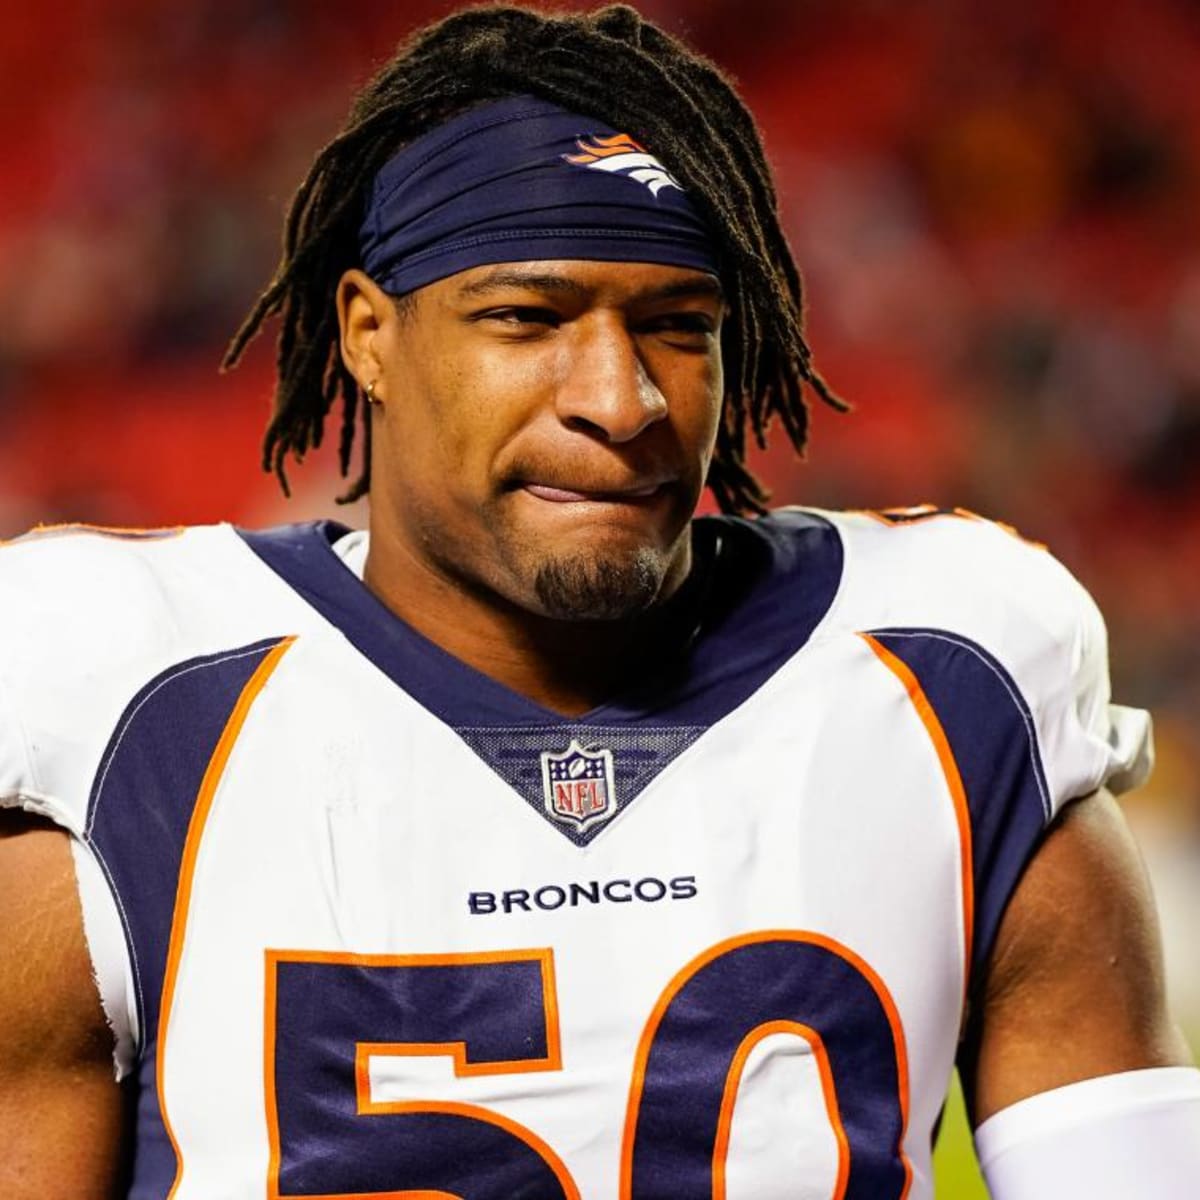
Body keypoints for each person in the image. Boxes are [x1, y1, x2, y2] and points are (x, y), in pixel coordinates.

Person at [1, 4, 1197, 1197]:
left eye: (680, 328)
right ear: (368, 335)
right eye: (527, 318)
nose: (621, 400)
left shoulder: (951, 672)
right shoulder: (134, 714)